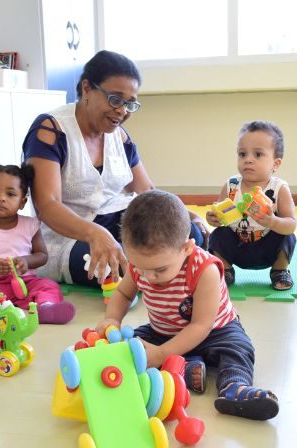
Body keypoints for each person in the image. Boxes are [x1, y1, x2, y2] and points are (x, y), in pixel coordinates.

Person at [22, 50, 207, 287]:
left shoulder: (120, 137)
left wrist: (185, 213)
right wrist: (95, 234)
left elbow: (147, 191)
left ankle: (156, 272)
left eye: (130, 103)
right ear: (87, 88)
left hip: (120, 223)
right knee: (111, 265)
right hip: (69, 237)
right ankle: (162, 273)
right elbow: (47, 205)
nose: (122, 111)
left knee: (190, 234)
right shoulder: (50, 130)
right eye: (116, 99)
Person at [95, 190, 279, 421]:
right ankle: (188, 366)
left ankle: (235, 387)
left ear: (187, 248)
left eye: (160, 270)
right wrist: (112, 319)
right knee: (129, 346)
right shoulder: (140, 266)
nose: (148, 276)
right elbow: (122, 293)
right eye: (139, 267)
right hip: (163, 331)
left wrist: (161, 354)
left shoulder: (204, 270)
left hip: (215, 331)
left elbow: (201, 326)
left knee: (238, 349)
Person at [0, 160, 75, 324]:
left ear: (22, 202)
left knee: (49, 286)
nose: (1, 199)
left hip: (25, 282)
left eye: (10, 194)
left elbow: (42, 255)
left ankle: (45, 308)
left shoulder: (30, 225)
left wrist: (26, 261)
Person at [206, 120, 297, 290]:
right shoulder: (231, 185)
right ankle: (225, 270)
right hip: (237, 248)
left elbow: (291, 224)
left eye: (257, 154)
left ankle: (279, 271)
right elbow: (220, 215)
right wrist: (214, 218)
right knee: (217, 235)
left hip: (267, 249)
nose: (248, 160)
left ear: (275, 164)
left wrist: (272, 222)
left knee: (288, 236)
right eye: (242, 154)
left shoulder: (279, 189)